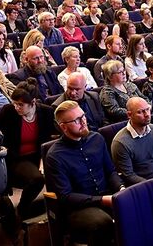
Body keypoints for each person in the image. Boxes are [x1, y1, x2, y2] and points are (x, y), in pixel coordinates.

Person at [45, 101, 124, 246]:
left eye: (83, 116)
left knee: (134, 207)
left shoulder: (97, 139)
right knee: (102, 222)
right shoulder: (55, 156)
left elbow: (110, 171)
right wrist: (101, 200)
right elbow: (66, 196)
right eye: (76, 120)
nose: (83, 122)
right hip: (78, 208)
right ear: (63, 127)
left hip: (106, 196)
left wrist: (121, 189)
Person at [0, 78, 57, 219]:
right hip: (15, 157)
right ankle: (22, 209)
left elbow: (50, 136)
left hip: (37, 156)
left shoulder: (46, 112)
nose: (16, 107)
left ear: (33, 103)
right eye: (15, 103)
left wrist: (43, 159)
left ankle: (58, 209)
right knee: (37, 180)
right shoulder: (8, 111)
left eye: (20, 105)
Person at [111, 97, 153, 186]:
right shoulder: (120, 142)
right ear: (129, 115)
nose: (147, 114)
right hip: (139, 187)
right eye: (140, 112)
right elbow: (129, 176)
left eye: (147, 109)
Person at [99, 60, 149, 124]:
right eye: (120, 72)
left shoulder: (130, 85)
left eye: (124, 70)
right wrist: (137, 111)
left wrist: (147, 106)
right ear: (110, 76)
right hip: (124, 123)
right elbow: (114, 111)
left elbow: (144, 98)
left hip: (142, 117)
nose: (124, 73)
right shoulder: (107, 92)